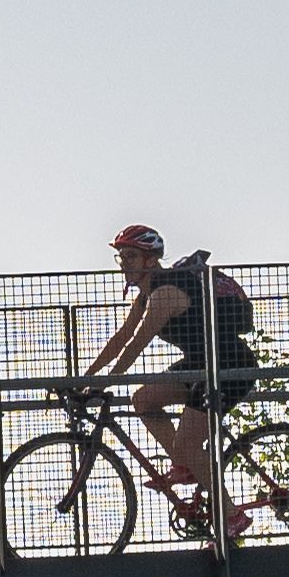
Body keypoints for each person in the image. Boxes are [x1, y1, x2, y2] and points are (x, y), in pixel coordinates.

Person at [77, 226, 264, 534]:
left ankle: (232, 515)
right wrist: (83, 378)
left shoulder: (164, 294)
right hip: (199, 366)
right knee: (144, 399)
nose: (125, 263)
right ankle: (186, 466)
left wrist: (102, 384)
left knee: (189, 443)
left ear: (151, 261)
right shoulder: (146, 296)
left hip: (229, 366)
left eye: (132, 256)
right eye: (121, 256)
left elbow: (136, 344)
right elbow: (120, 338)